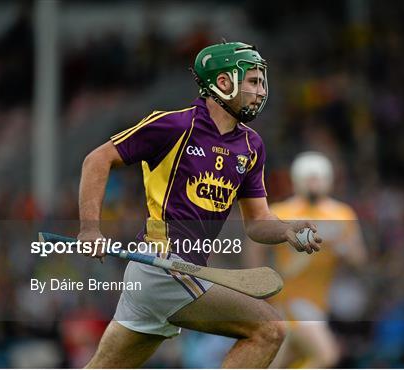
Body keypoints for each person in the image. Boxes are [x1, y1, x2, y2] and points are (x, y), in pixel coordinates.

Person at [76, 42, 322, 368]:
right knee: (269, 329)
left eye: (262, 82)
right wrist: (90, 229)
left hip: (182, 273)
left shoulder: (252, 145)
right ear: (223, 83)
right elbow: (97, 160)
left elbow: (258, 221)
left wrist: (287, 229)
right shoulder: (174, 125)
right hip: (161, 267)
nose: (261, 91)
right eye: (252, 81)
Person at [247, 152, 367, 368]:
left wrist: (340, 244)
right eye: (309, 178)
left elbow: (359, 259)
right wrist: (258, 284)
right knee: (327, 355)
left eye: (318, 178)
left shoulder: (341, 213)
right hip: (291, 299)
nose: (314, 184)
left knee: (281, 362)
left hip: (320, 302)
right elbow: (255, 244)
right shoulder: (282, 211)